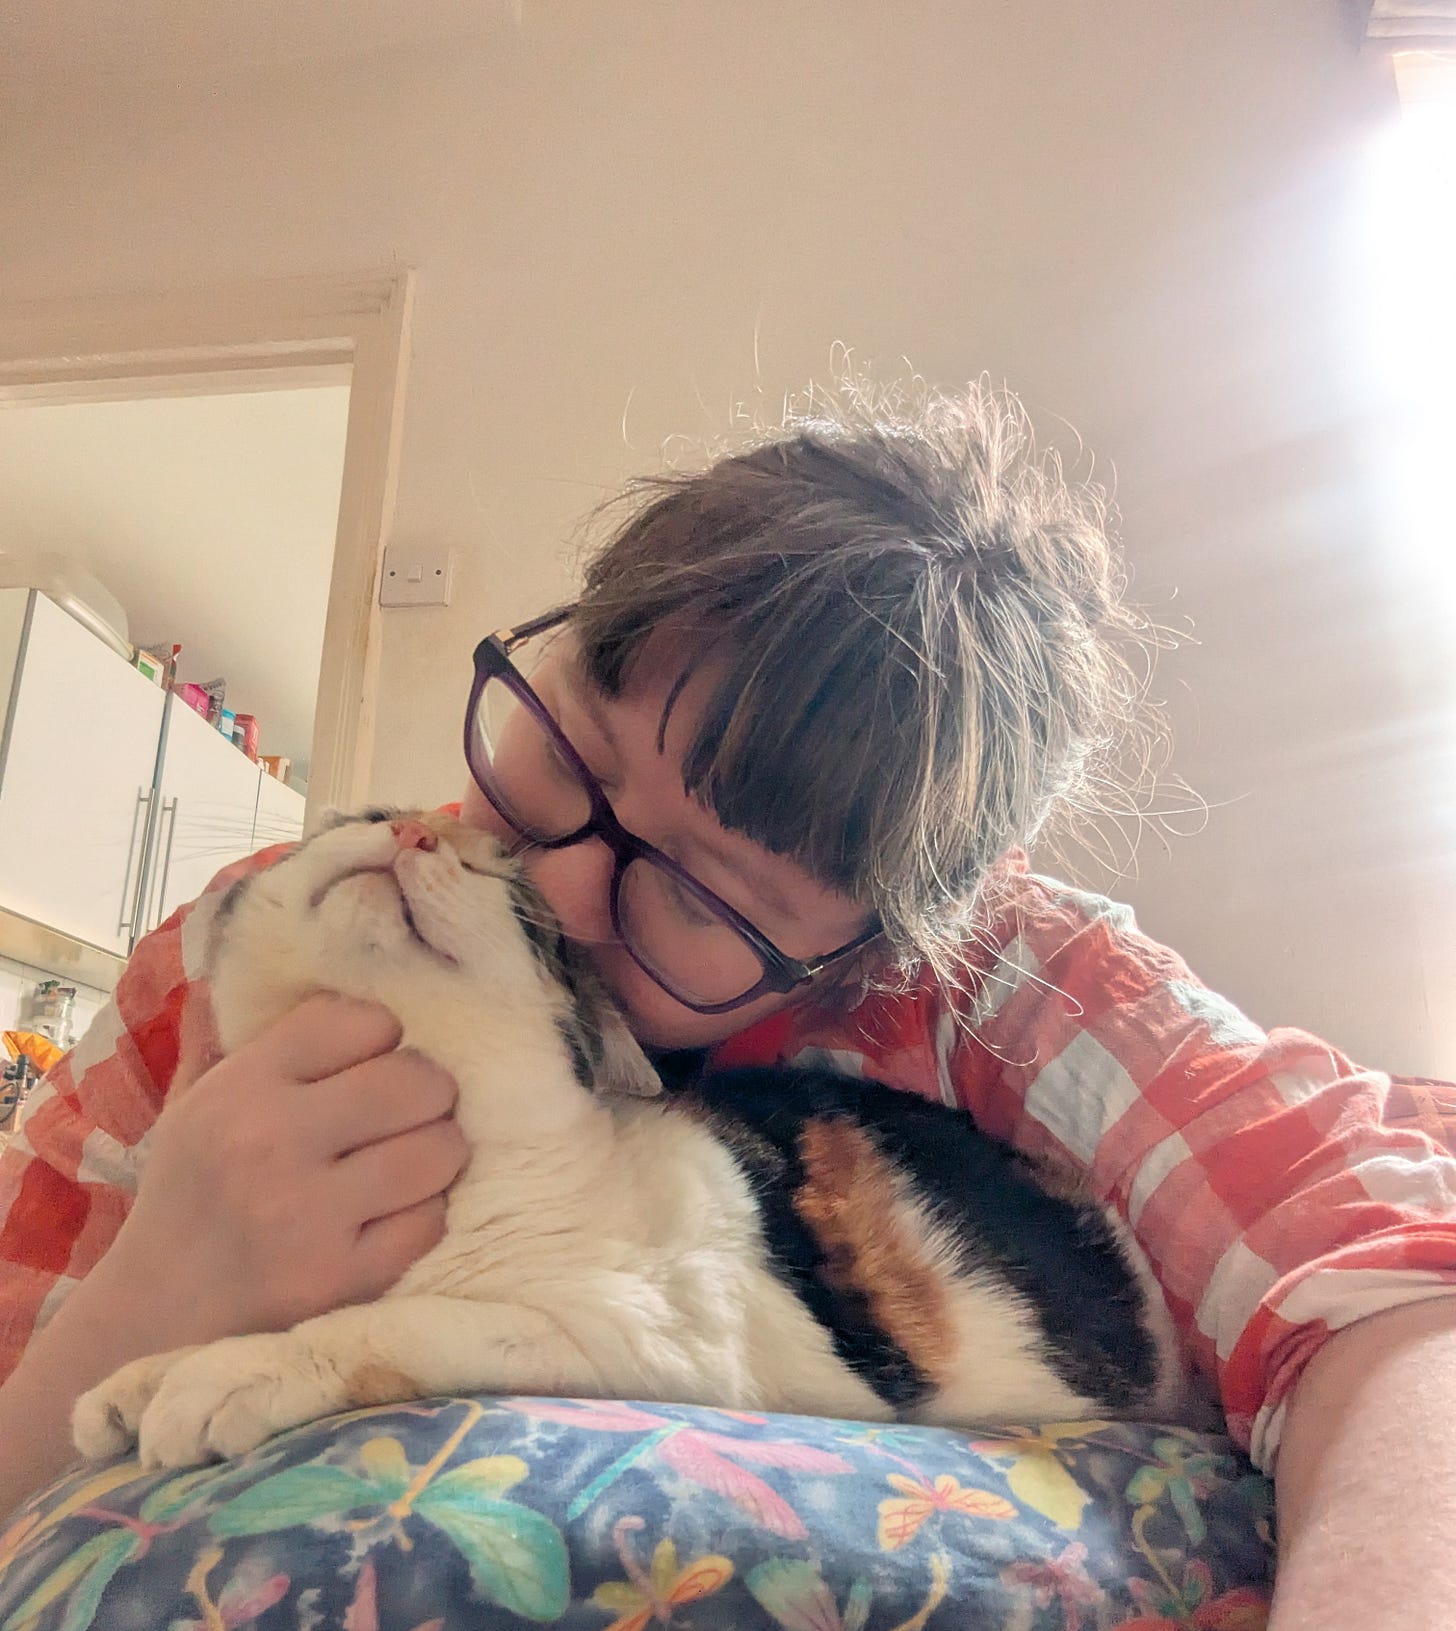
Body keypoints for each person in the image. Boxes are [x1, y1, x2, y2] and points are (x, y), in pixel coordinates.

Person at [1, 382, 1452, 1628]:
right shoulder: (291, 934)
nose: (558, 890)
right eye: (565, 751)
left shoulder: (1003, 986)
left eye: (697, 893)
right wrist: (144, 1299)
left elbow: (1387, 1297)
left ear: (873, 945)